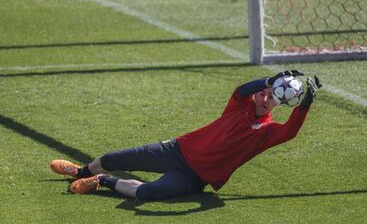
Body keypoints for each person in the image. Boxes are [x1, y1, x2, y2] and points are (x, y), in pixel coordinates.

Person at [49, 70, 321, 200]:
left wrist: (307, 101)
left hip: (194, 177)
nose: (264, 98)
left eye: (272, 97)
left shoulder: (268, 132)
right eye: (263, 93)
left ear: (279, 104)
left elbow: (291, 131)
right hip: (176, 150)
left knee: (149, 193)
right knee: (115, 156)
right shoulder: (240, 105)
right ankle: (82, 171)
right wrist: (269, 80)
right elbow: (241, 90)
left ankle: (100, 181)